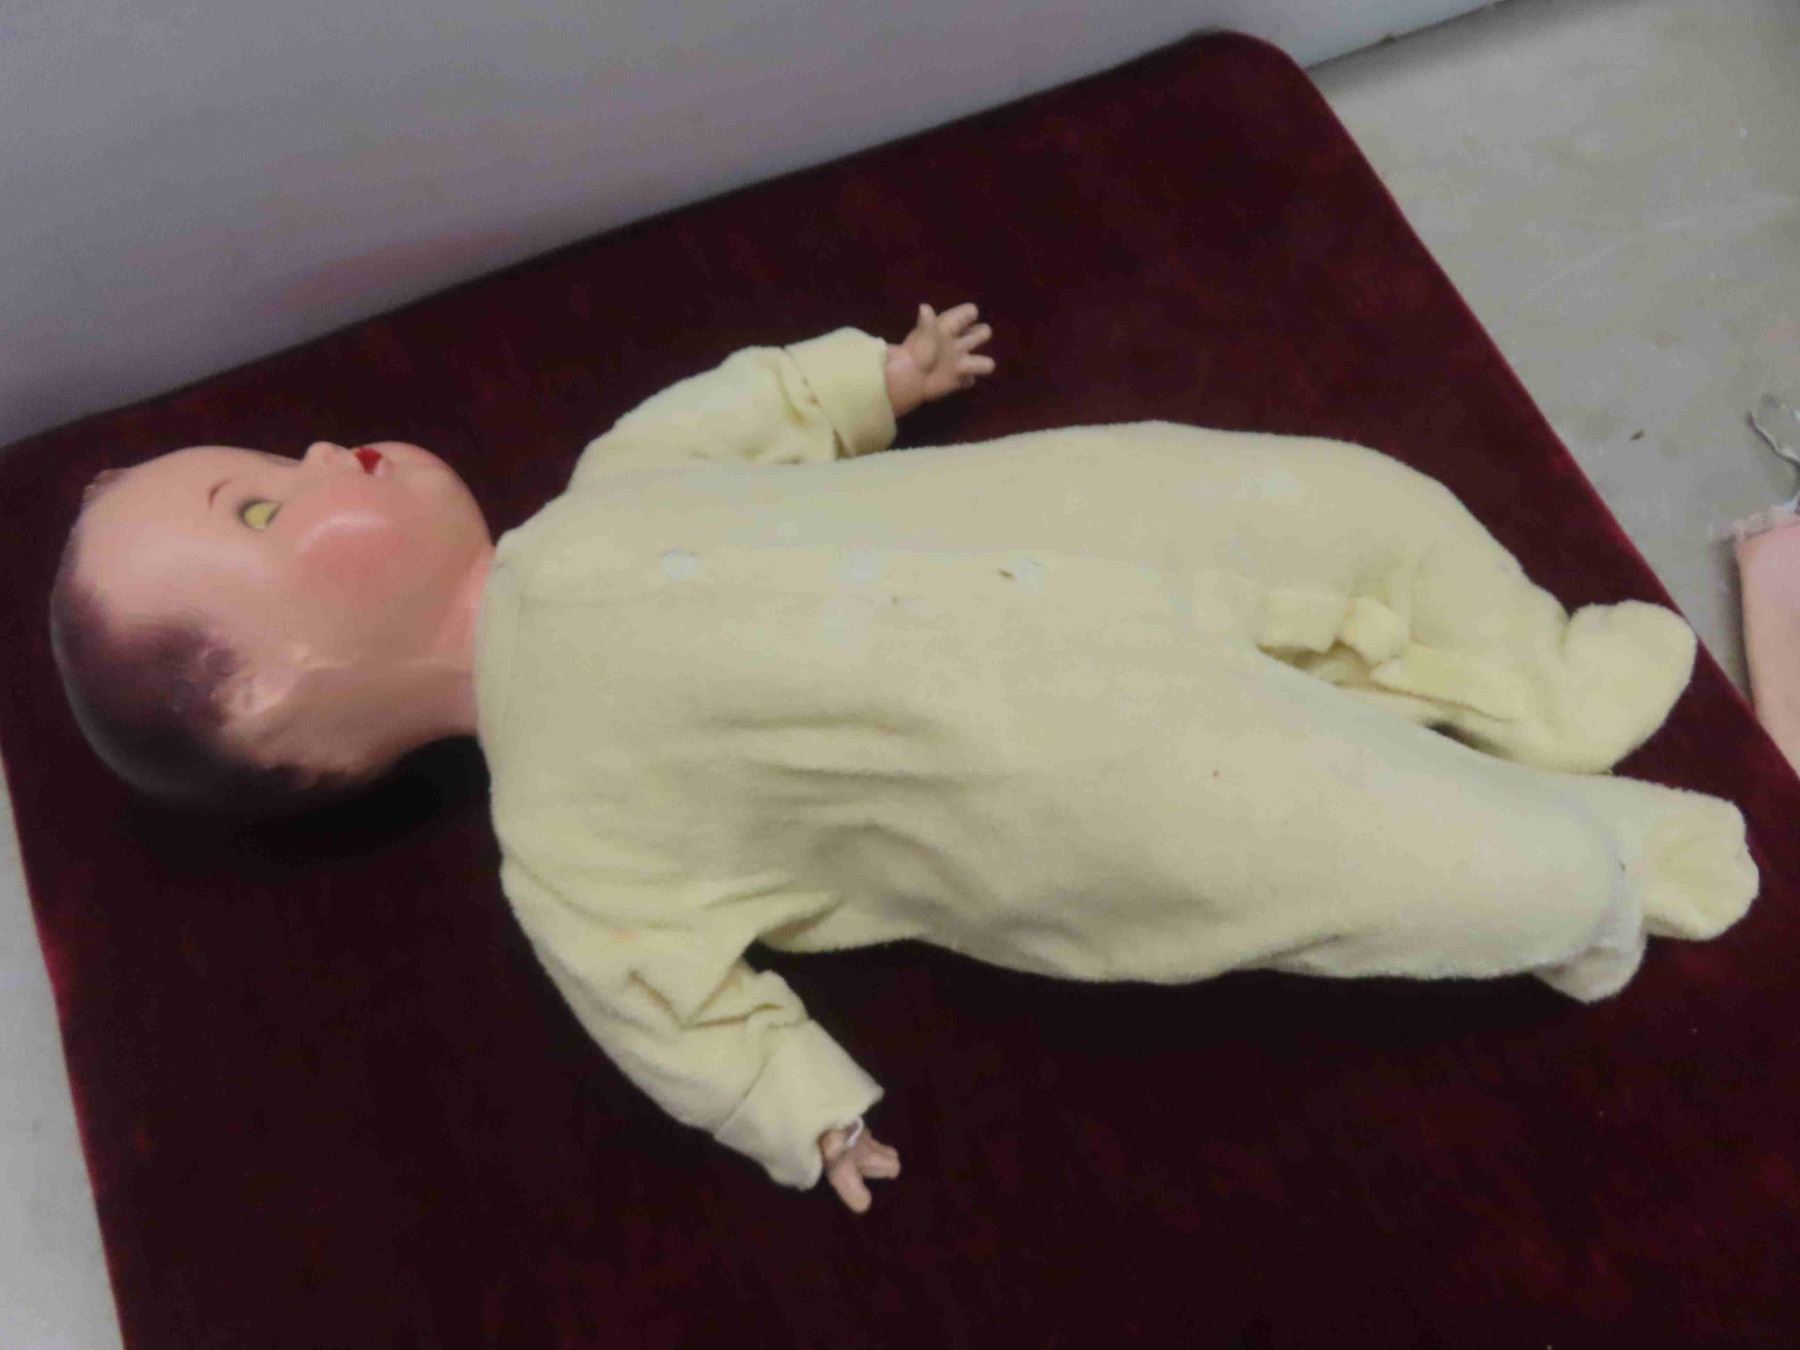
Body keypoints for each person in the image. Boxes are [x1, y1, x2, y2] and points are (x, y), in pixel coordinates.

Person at [50, 303, 1757, 1214]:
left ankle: (1539, 679)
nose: (318, 450)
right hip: (1080, 784)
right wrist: (801, 1114)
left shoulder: (610, 482)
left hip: (1083, 525)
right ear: (279, 703)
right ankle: (1584, 868)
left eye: (268, 458)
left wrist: (875, 376)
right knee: (1340, 840)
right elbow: (671, 1005)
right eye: (263, 508)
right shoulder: (565, 835)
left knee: (1343, 505)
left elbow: (748, 410)